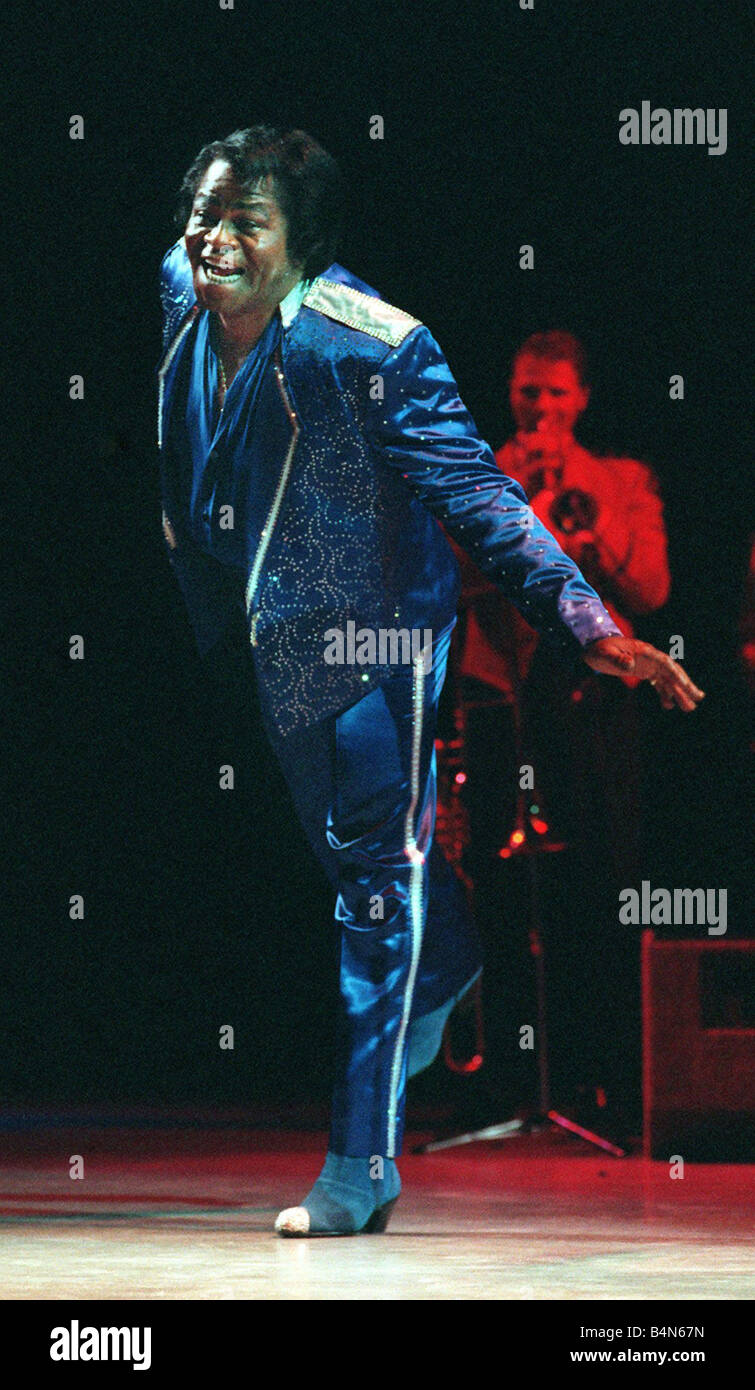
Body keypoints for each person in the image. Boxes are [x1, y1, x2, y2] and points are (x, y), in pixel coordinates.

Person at [156, 126, 703, 1236]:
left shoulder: (377, 345)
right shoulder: (181, 281)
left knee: (371, 880)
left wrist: (581, 618)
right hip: (274, 632)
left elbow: (480, 492)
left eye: (241, 224)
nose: (211, 239)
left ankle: (359, 1163)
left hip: (379, 637)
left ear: (301, 246)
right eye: (204, 214)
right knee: (365, 872)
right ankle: (448, 953)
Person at [455, 332, 672, 1117]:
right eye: (525, 392)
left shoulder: (621, 480)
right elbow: (446, 577)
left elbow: (648, 588)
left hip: (592, 707)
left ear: (580, 400)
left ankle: (601, 1078)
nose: (539, 407)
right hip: (502, 695)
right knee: (500, 883)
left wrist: (580, 520)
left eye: (553, 394)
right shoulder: (479, 474)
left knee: (600, 884)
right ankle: (505, 1083)